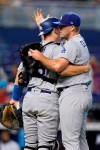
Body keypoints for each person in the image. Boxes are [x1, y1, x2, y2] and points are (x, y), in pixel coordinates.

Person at [10, 16, 89, 150]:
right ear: (54, 31)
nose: (60, 30)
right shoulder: (59, 49)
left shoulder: (32, 50)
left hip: (28, 100)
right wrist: (83, 68)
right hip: (47, 100)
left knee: (29, 146)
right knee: (45, 146)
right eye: (58, 28)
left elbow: (19, 76)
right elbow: (61, 69)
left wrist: (15, 98)